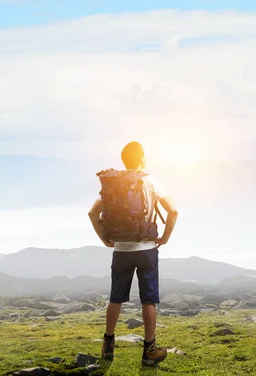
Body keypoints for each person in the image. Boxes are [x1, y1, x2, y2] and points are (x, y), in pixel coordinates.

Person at [88, 141, 179, 366]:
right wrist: (165, 238)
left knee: (115, 298)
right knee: (148, 301)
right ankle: (149, 351)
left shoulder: (113, 183)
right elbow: (173, 210)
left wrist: (105, 238)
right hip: (147, 250)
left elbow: (92, 213)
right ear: (142, 158)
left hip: (120, 250)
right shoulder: (150, 180)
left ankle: (108, 345)